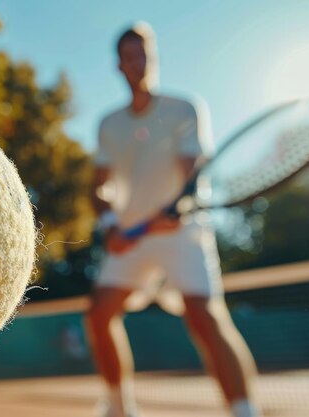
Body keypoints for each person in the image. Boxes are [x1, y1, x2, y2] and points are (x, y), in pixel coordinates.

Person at [86, 22, 261, 417]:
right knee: (98, 315)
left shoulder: (185, 107)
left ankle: (245, 411)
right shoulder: (107, 124)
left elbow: (191, 171)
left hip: (182, 232)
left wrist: (177, 209)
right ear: (119, 66)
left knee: (203, 315)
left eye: (145, 54)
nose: (139, 62)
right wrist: (110, 225)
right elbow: (97, 188)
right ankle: (120, 408)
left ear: (154, 59)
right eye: (131, 56)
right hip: (129, 235)